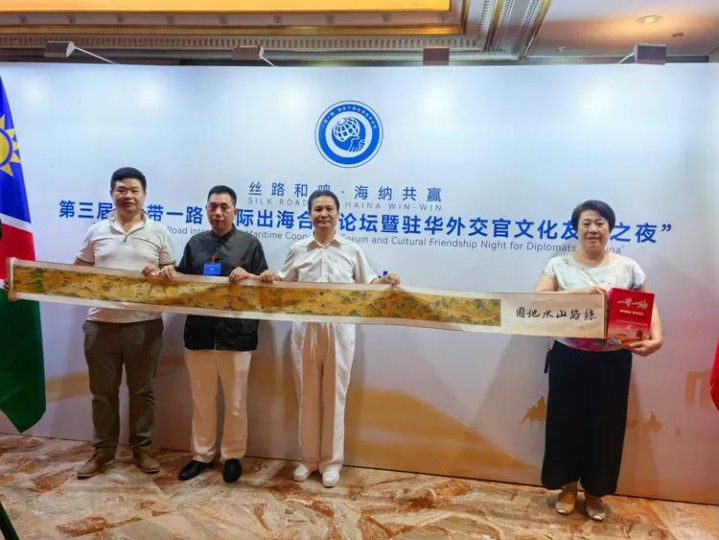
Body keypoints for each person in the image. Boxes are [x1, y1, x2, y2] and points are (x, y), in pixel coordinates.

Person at [259, 189, 400, 488]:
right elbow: (283, 281)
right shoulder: (298, 249)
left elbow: (370, 282)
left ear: (338, 214)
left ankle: (332, 463)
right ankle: (308, 460)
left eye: (329, 209)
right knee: (307, 395)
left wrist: (385, 280)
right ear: (309, 214)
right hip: (305, 329)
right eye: (318, 209)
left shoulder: (351, 249)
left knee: (335, 396)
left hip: (340, 329)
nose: (323, 214)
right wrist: (271, 277)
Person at [534, 200, 663, 521]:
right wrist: (577, 295)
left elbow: (648, 307)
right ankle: (567, 487)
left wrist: (657, 337)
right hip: (568, 357)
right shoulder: (559, 265)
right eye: (587, 223)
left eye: (600, 223)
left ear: (610, 228)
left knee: (606, 426)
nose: (593, 229)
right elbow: (538, 301)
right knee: (565, 423)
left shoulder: (628, 267)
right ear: (576, 229)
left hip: (613, 360)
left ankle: (595, 492)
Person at [155, 185, 268, 483]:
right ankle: (201, 455)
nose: (218, 212)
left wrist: (250, 276)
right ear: (206, 211)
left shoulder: (250, 244)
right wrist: (169, 274)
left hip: (237, 336)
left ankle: (232, 456)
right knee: (202, 400)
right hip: (199, 334)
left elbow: (266, 286)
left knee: (236, 402)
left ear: (235, 211)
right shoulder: (196, 243)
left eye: (224, 207)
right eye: (213, 207)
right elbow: (182, 280)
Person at [74, 167, 176, 479]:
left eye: (134, 190)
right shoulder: (96, 231)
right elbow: (75, 273)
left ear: (144, 195)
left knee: (142, 391)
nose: (128, 195)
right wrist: (26, 282)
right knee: (102, 393)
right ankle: (103, 451)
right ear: (112, 194)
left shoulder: (159, 232)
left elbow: (173, 280)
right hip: (100, 325)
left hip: (144, 326)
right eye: (121, 190)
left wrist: (163, 275)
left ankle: (142, 449)